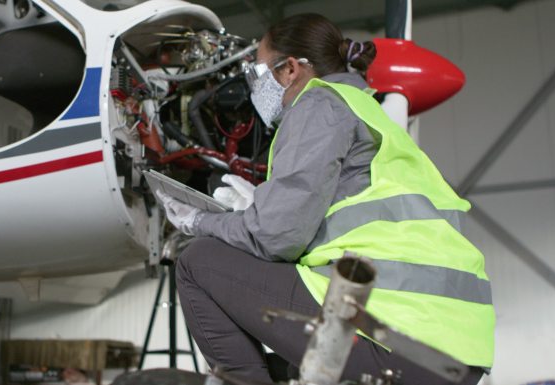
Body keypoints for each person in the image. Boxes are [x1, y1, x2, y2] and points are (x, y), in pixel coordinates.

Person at [156, 13, 495, 385]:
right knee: (289, 371)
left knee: (198, 261)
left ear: (289, 71)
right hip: (453, 352)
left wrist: (198, 221)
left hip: (397, 332)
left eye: (257, 73)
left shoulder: (319, 104)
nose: (254, 86)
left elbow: (276, 237)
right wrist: (259, 208)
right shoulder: (366, 110)